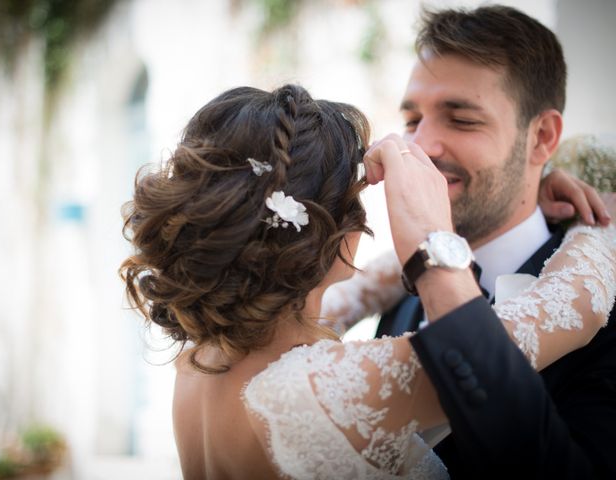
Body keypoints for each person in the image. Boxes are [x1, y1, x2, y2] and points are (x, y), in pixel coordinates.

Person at [120, 84, 615, 479]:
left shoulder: (201, 360)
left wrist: (529, 190)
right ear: (342, 236)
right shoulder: (321, 390)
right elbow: (565, 311)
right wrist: (598, 225)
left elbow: (373, 282)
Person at [326, 5, 616, 478]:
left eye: (461, 120)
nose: (422, 145)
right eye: (413, 119)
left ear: (542, 138)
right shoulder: (400, 296)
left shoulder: (605, 309)